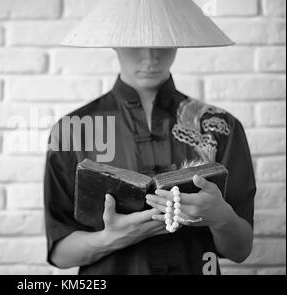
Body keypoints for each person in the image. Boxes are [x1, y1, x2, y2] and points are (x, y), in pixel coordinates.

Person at [43, 0, 255, 275]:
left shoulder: (221, 126)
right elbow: (60, 254)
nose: (150, 55)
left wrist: (221, 217)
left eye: (163, 40)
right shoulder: (72, 129)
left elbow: (240, 250)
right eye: (136, 41)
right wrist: (110, 238)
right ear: (115, 40)